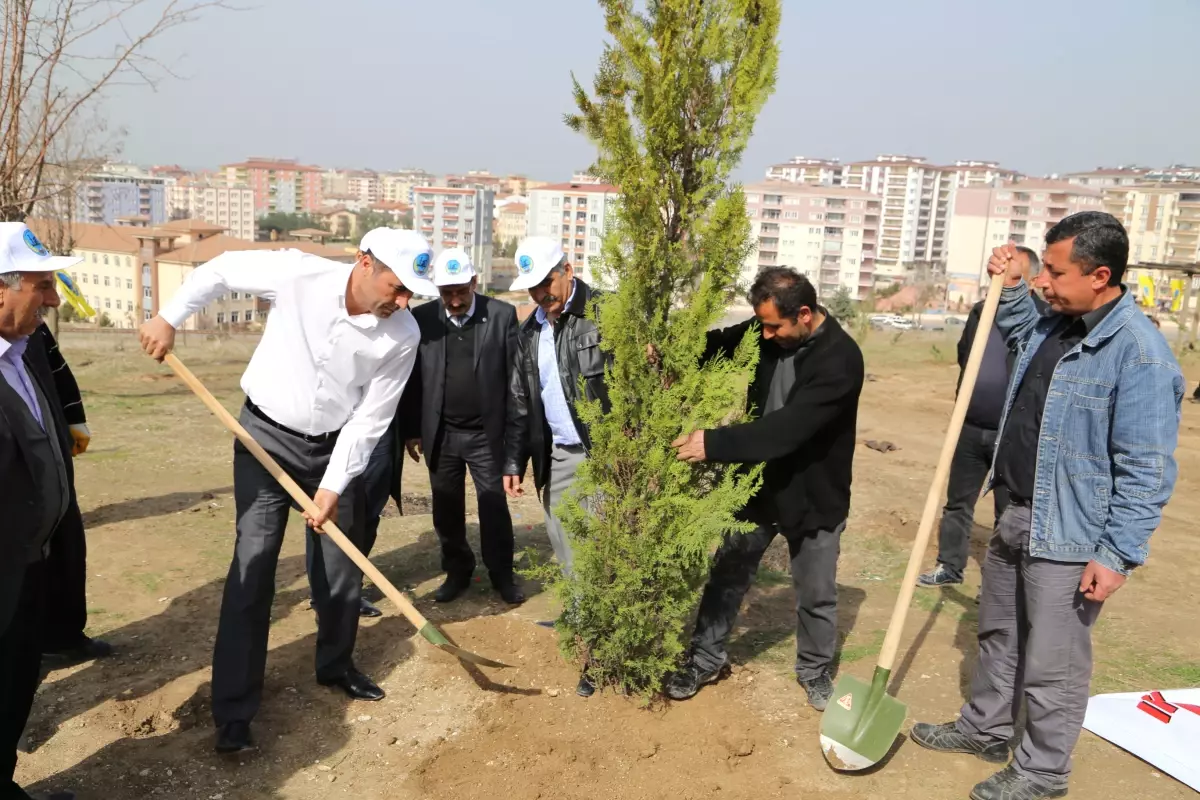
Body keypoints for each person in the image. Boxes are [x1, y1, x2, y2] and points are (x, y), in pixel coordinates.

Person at [911, 212, 1183, 800]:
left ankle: (1042, 771)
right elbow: (1016, 321)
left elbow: (1147, 469)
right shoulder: (1055, 323)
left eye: (1056, 273)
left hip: (1071, 532)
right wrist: (1010, 281)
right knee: (999, 634)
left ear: (1101, 275)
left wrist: (1117, 556)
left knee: (1053, 661)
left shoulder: (1139, 355)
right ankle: (985, 728)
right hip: (1014, 510)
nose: (1045, 283)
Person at [137, 228, 431, 755]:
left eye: (412, 293)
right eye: (397, 286)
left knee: (341, 573)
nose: (403, 301)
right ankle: (233, 709)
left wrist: (334, 485)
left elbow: (371, 419)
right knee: (253, 571)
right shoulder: (300, 273)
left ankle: (336, 666)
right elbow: (221, 268)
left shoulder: (403, 334)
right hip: (263, 440)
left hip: (334, 449)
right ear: (365, 262)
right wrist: (168, 317)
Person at [666, 267, 864, 711]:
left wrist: (712, 442)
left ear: (806, 314)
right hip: (757, 484)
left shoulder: (840, 360)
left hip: (814, 492)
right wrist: (669, 352)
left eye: (775, 325)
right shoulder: (766, 330)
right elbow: (719, 345)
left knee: (815, 591)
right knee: (728, 573)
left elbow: (787, 431)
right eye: (762, 324)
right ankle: (705, 657)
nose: (766, 334)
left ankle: (814, 670)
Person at [1, 221, 82, 800]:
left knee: (14, 686)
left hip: (29, 565)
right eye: (41, 285)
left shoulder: (24, 353)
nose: (53, 298)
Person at [397, 248, 523, 605]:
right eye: (446, 293)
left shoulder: (501, 316)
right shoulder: (421, 319)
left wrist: (513, 445)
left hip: (486, 435)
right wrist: (411, 429)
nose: (453, 300)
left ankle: (502, 576)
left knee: (493, 507)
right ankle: (457, 572)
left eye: (460, 291)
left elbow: (515, 384)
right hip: (441, 434)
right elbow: (412, 380)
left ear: (473, 282)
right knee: (446, 509)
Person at [918, 247, 1043, 588]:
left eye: (1012, 272)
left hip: (1011, 435)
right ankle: (950, 566)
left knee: (1008, 513)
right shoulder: (978, 312)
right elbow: (965, 354)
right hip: (970, 427)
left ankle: (1000, 584)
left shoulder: (1042, 322)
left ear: (1030, 280)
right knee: (958, 502)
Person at [503, 236, 610, 581]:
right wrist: (514, 461)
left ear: (567, 269)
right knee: (561, 536)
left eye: (545, 283)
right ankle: (579, 620)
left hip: (603, 451)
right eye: (532, 289)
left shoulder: (605, 313)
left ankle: (594, 624)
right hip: (559, 454)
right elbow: (521, 399)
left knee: (594, 544)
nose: (539, 295)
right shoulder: (530, 330)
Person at [30, 322, 115, 662]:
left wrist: (73, 419)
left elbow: (57, 368)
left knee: (66, 542)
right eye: (42, 286)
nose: (51, 297)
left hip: (51, 450)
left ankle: (62, 636)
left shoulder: (30, 323)